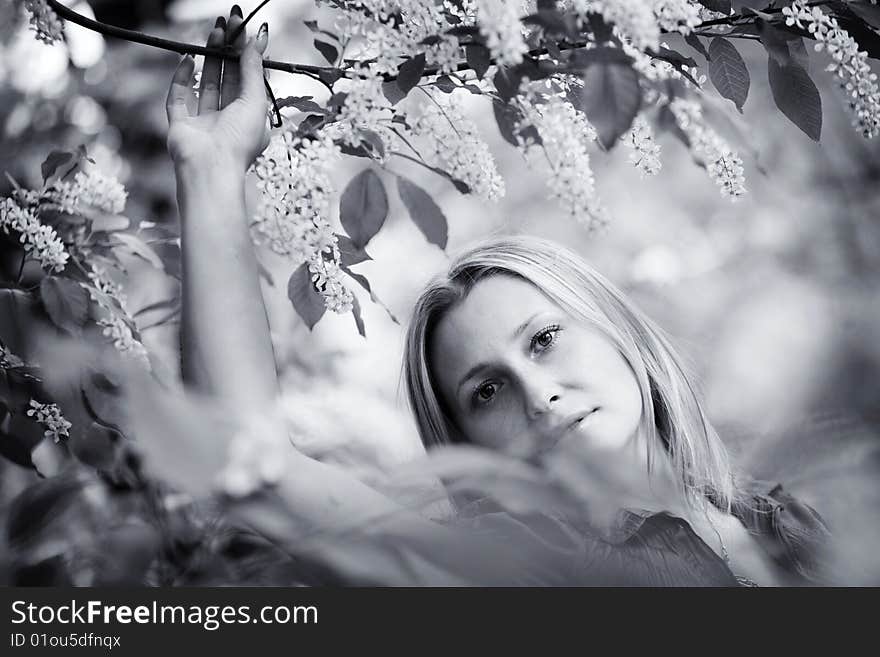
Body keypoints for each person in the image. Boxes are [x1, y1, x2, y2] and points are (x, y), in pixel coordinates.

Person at [163, 9, 830, 586]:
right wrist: (212, 170)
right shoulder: (522, 566)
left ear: (615, 328)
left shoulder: (780, 519)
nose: (538, 395)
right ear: (471, 450)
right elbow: (245, 453)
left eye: (543, 338)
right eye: (485, 391)